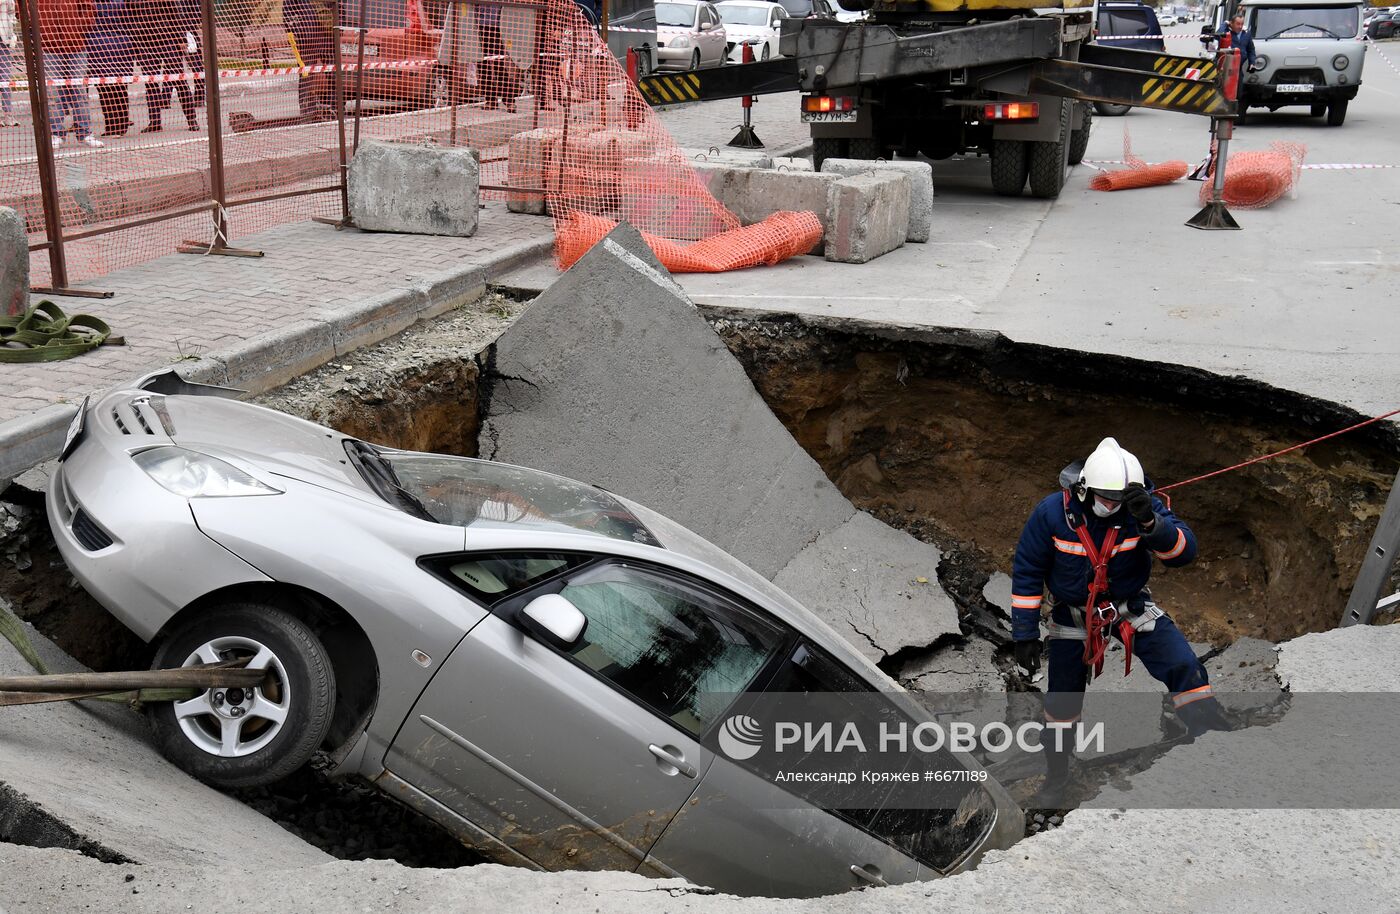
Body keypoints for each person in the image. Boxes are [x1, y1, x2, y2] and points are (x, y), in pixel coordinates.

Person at [1010, 437, 1230, 794]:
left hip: (1129, 606)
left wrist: (1150, 522)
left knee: (1182, 664)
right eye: (1105, 498)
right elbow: (1027, 571)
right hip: (1074, 616)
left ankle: (1213, 745)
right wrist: (1024, 635)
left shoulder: (1141, 510)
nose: (1112, 506)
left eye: (1118, 500)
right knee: (1062, 702)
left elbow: (1183, 554)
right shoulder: (1051, 513)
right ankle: (1057, 776)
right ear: (1083, 489)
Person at [38, 0, 105, 147]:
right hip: (49, 47)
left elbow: (90, 8)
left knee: (79, 91)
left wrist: (78, 27)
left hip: (76, 45)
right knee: (52, 94)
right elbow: (21, 7)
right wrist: (40, 27)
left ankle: (85, 133)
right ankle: (55, 134)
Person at [131, 0, 198, 132]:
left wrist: (181, 39)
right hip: (146, 42)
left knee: (179, 81)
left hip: (167, 40)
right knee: (151, 84)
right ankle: (155, 122)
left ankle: (192, 120)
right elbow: (131, 17)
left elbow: (176, 14)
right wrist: (136, 44)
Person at [283, 0, 336, 119]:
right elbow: (287, 14)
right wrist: (299, 32)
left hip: (328, 37)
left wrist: (338, 29)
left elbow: (340, 7)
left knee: (333, 74)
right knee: (306, 76)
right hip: (307, 40)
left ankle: (333, 108)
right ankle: (307, 112)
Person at [90, 0, 134, 136]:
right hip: (120, 46)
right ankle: (121, 124)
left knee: (104, 90)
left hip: (98, 48)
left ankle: (111, 124)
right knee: (120, 88)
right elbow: (130, 22)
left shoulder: (92, 5)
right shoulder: (121, 3)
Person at [0, 0, 19, 127]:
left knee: (5, 79)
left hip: (4, 40)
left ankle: (9, 115)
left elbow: (13, 11)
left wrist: (12, 34)